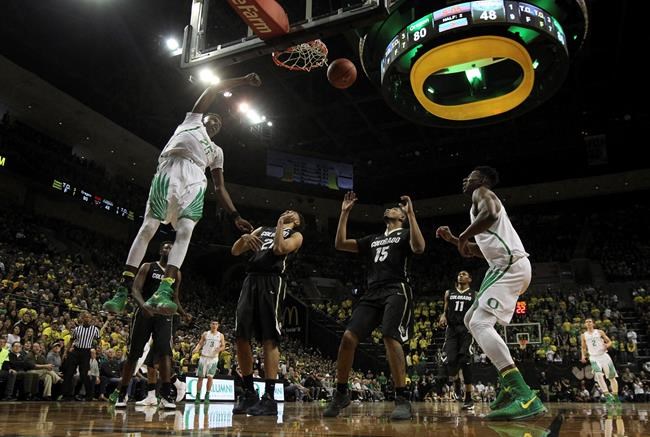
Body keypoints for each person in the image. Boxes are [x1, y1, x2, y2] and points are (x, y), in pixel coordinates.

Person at [102, 73, 261, 314]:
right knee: (148, 227)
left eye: (219, 123)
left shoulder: (217, 151)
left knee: (185, 230)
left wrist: (235, 215)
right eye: (212, 119)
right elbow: (213, 89)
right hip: (170, 169)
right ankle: (122, 290)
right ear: (202, 118)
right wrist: (243, 81)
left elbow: (219, 187)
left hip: (195, 179)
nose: (215, 123)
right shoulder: (191, 122)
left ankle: (164, 290)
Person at [435, 166, 545, 420]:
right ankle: (507, 386)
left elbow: (491, 214)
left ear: (482, 180)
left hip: (510, 265)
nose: (466, 179)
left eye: (471, 175)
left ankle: (524, 396)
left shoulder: (482, 193)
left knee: (479, 323)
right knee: (469, 320)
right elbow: (476, 251)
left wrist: (463, 235)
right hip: (500, 267)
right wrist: (455, 240)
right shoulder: (479, 207)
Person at [324, 192, 425, 420]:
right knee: (348, 338)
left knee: (390, 336)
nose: (390, 209)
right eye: (390, 208)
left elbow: (419, 248)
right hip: (372, 292)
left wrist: (411, 215)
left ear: (401, 217)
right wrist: (344, 213)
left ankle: (402, 397)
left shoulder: (406, 233)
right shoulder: (373, 239)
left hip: (396, 288)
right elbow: (340, 244)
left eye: (395, 209)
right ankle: (341, 393)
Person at [231, 210, 305, 416]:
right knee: (241, 337)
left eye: (293, 212)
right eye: (287, 210)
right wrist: (245, 238)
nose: (289, 211)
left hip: (272, 281)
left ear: (297, 221)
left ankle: (270, 397)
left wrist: (281, 224)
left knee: (269, 338)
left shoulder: (296, 235)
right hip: (250, 280)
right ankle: (249, 392)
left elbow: (280, 249)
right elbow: (235, 251)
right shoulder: (263, 229)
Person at [110, 242, 190, 409]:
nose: (169, 250)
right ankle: (122, 393)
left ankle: (166, 395)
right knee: (134, 354)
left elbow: (175, 297)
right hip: (144, 313)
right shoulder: (148, 266)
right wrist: (143, 306)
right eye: (166, 247)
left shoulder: (176, 273)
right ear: (160, 250)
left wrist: (183, 313)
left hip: (164, 315)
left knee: (165, 353)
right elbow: (135, 289)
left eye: (172, 248)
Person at [438, 270, 476, 410]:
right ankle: (457, 381)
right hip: (452, 330)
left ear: (469, 279)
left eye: (464, 274)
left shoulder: (475, 294)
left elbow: (477, 311)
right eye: (459, 274)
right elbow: (445, 309)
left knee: (465, 361)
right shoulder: (449, 293)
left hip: (466, 330)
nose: (461, 275)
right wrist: (443, 315)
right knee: (450, 360)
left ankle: (468, 397)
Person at [581, 318, 620, 404]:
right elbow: (583, 347)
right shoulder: (584, 335)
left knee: (612, 377)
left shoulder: (599, 332)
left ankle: (615, 396)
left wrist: (607, 345)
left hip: (604, 355)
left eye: (590, 321)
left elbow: (609, 342)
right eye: (586, 322)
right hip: (593, 357)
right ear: (585, 325)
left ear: (593, 323)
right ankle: (607, 396)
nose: (588, 323)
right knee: (598, 375)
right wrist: (583, 356)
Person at [192, 321, 225, 403]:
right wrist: (196, 349)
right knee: (200, 377)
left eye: (216, 324)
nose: (214, 325)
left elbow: (223, 346)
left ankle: (207, 395)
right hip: (204, 357)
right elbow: (200, 343)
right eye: (213, 324)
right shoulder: (206, 334)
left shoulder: (220, 335)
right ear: (210, 325)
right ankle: (198, 396)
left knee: (210, 377)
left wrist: (219, 349)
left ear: (218, 326)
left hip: (213, 359)